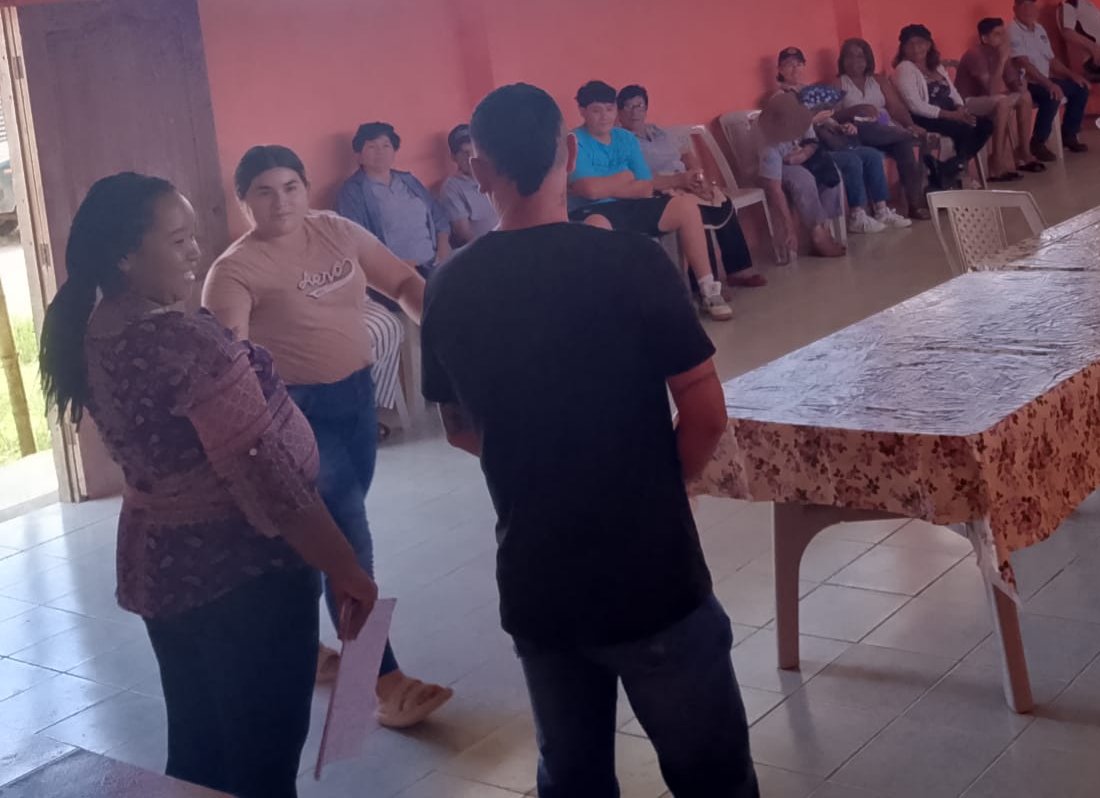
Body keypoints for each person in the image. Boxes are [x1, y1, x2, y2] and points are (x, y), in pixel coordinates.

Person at [421, 84, 758, 798]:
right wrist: (662, 483)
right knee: (712, 775)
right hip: (650, 567)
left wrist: (544, 463)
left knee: (572, 776)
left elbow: (459, 428)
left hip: (538, 572)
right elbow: (705, 411)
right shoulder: (631, 263)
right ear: (569, 153)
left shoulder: (450, 287)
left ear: (479, 170)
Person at [39, 172, 377, 798]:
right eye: (178, 241)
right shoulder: (183, 342)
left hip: (167, 567)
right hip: (242, 573)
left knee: (200, 748)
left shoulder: (95, 329)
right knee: (262, 761)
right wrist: (346, 569)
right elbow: (267, 479)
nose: (195, 251)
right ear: (125, 256)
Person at [204, 146, 451, 730]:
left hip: (356, 402)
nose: (280, 201)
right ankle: (383, 682)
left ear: (306, 187)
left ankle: (294, 643)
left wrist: (448, 337)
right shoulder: (234, 271)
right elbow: (227, 364)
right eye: (264, 192)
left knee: (320, 534)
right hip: (295, 415)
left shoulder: (336, 231)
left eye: (290, 186)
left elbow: (402, 280)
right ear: (243, 202)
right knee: (347, 539)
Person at [567, 81, 734, 321]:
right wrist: (625, 177)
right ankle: (617, 309)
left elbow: (646, 186)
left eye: (609, 109)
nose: (604, 116)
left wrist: (612, 185)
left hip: (633, 204)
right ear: (582, 111)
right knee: (596, 225)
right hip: (594, 210)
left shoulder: (625, 138)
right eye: (596, 110)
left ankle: (709, 290)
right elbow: (591, 191)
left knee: (685, 206)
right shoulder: (575, 141)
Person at [615, 86, 768, 289]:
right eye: (628, 106)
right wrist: (679, 181)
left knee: (721, 200)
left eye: (639, 105)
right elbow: (637, 178)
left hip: (686, 181)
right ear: (619, 111)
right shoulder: (620, 141)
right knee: (697, 213)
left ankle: (738, 270)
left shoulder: (657, 132)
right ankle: (706, 282)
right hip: (661, 187)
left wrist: (697, 174)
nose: (634, 112)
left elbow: (686, 154)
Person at [773, 47, 909, 231]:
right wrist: (813, 120)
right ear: (780, 69)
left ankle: (881, 210)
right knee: (852, 160)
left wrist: (841, 126)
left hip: (829, 141)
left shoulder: (810, 92)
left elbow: (827, 118)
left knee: (872, 155)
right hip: (807, 151)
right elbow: (788, 133)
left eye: (799, 64)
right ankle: (856, 215)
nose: (795, 69)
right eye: (789, 65)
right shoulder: (779, 99)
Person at [833, 37, 930, 220]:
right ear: (842, 60)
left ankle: (914, 204)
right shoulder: (838, 84)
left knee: (903, 145)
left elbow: (896, 108)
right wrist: (855, 110)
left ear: (868, 59)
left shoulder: (879, 80)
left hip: (885, 127)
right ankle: (905, 135)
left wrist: (910, 124)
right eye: (849, 57)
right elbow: (831, 117)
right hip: (857, 130)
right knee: (902, 137)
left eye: (860, 56)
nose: (855, 61)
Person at [337, 121, 450, 277]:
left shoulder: (409, 180)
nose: (380, 152)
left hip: (435, 265)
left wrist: (443, 248)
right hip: (396, 275)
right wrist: (395, 267)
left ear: (394, 151)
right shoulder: (353, 191)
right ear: (359, 156)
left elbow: (439, 218)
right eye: (372, 146)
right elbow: (357, 240)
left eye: (386, 145)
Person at [892, 24, 995, 176]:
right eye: (909, 44)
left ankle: (949, 168)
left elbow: (952, 91)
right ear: (903, 48)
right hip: (924, 118)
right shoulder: (904, 68)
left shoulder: (936, 66)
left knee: (985, 124)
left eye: (920, 43)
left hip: (950, 113)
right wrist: (951, 115)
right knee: (964, 129)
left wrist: (960, 108)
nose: (915, 48)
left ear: (928, 45)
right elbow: (916, 106)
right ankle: (954, 171)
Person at [757, 89, 847, 258]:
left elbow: (813, 142)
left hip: (797, 158)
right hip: (769, 171)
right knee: (803, 179)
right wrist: (789, 227)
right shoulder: (769, 147)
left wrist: (804, 154)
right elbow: (774, 189)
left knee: (830, 174)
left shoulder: (800, 119)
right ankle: (818, 234)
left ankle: (824, 228)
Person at [954, 17, 1042, 179]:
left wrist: (1020, 80)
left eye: (1004, 33)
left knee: (1025, 97)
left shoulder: (1001, 52)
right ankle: (996, 160)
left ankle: (1024, 151)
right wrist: (1001, 61)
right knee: (1002, 101)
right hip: (967, 101)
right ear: (984, 38)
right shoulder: (975, 54)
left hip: (989, 99)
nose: (1003, 38)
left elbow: (1014, 84)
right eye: (997, 34)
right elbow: (992, 90)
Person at [1008, 0, 1090, 158]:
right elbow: (1023, 63)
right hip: (1025, 84)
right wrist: (1049, 84)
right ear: (1015, 9)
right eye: (1022, 5)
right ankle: (1038, 142)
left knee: (1080, 87)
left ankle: (1069, 134)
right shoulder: (1012, 30)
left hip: (1043, 79)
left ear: (1035, 7)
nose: (1027, 9)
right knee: (1051, 94)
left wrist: (1072, 75)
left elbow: (1051, 60)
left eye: (1030, 4)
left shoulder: (1039, 29)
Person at [441, 124, 499, 247]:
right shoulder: (451, 189)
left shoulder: (497, 174)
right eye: (464, 153)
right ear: (453, 157)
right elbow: (463, 234)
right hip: (486, 250)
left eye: (473, 150)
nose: (470, 157)